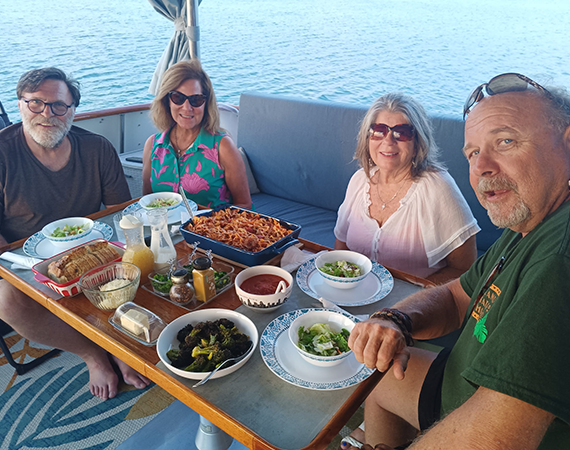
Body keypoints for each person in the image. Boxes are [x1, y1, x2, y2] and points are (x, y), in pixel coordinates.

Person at [342, 73, 570, 450]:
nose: (482, 167)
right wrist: (396, 318)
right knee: (380, 375)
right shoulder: (526, 227)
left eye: (506, 141)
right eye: (473, 153)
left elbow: (493, 439)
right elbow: (458, 296)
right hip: (458, 379)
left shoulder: (559, 256)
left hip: (484, 414)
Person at [0, 67, 150, 400]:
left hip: (92, 251)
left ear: (72, 110)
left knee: (141, 261)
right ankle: (93, 352)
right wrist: (16, 270)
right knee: (7, 301)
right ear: (21, 104)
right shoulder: (2, 152)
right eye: (35, 103)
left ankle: (118, 343)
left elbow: (120, 214)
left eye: (58, 106)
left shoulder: (97, 148)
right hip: (26, 262)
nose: (46, 114)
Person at [334, 93, 479, 284]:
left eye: (401, 132)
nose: (388, 141)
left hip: (414, 307)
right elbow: (341, 248)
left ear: (418, 142)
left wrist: (409, 303)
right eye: (379, 130)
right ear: (368, 136)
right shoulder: (359, 180)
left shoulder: (437, 187)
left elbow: (465, 269)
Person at [142, 59, 252, 209]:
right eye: (178, 98)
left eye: (196, 99)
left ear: (206, 103)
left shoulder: (223, 147)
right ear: (166, 100)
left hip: (211, 231)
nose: (187, 108)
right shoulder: (152, 146)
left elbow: (244, 205)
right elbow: (147, 202)